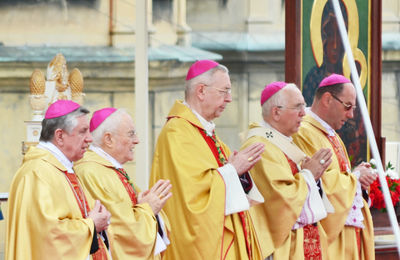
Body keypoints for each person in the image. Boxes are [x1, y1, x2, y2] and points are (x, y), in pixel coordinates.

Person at [150, 60, 265, 259]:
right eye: (224, 91)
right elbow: (191, 196)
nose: (229, 99)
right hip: (199, 246)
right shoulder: (177, 133)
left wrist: (240, 172)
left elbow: (220, 180)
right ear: (201, 91)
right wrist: (232, 170)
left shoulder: (207, 132)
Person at [6, 100, 112, 260]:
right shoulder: (37, 173)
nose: (89, 139)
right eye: (83, 131)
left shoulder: (63, 168)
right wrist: (91, 225)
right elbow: (49, 236)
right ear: (60, 136)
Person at [242, 82, 333, 259]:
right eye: (297, 107)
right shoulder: (259, 147)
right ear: (276, 112)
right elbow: (279, 201)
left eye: (303, 106)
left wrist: (315, 177)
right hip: (284, 248)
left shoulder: (283, 143)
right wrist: (308, 175)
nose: (303, 113)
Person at [293, 74, 376, 259]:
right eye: (347, 106)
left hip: (346, 234)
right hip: (331, 237)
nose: (351, 115)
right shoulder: (303, 131)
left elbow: (338, 176)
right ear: (327, 99)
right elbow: (315, 185)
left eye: (352, 108)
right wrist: (354, 177)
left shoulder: (331, 134)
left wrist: (359, 181)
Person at [74, 107, 172, 259]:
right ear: (108, 139)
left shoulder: (112, 169)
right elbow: (120, 232)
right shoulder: (91, 172)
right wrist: (148, 209)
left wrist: (147, 207)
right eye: (131, 134)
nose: (137, 140)